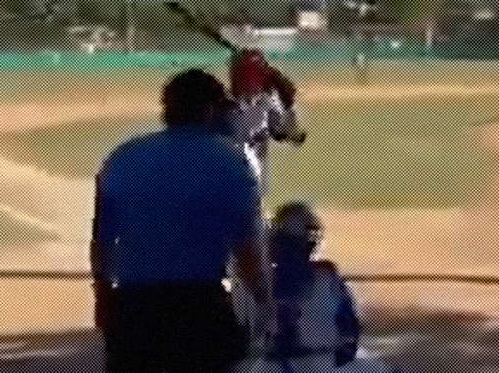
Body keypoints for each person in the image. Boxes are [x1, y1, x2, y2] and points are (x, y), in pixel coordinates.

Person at [91, 69, 266, 373]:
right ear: (211, 110)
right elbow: (246, 251)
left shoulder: (124, 158)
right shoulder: (232, 164)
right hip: (201, 307)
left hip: (135, 308)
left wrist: (104, 295)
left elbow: (102, 242)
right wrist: (264, 300)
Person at [234, 202, 397, 373]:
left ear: (276, 244)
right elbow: (350, 335)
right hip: (326, 364)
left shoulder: (264, 282)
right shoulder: (327, 276)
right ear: (310, 244)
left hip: (280, 367)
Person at [224, 49, 306, 195]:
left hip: (250, 108)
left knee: (250, 150)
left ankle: (251, 189)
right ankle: (256, 190)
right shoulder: (264, 72)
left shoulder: (243, 72)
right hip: (258, 106)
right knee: (258, 150)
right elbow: (287, 92)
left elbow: (236, 92)